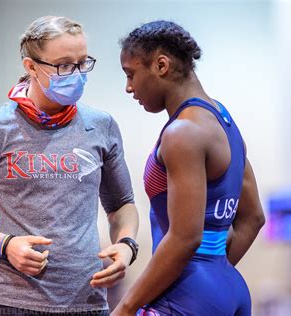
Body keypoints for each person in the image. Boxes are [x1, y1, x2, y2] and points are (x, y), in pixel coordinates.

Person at [0, 16, 139, 316]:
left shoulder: (101, 126)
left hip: (87, 299)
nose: (77, 74)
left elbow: (122, 204)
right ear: (31, 67)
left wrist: (126, 245)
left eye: (83, 63)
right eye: (64, 65)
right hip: (9, 301)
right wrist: (6, 245)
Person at [113, 21, 266, 316]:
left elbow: (185, 237)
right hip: (227, 287)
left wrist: (125, 307)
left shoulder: (183, 132)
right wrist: (213, 280)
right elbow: (254, 217)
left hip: (187, 294)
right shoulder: (222, 119)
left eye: (131, 74)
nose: (129, 87)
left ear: (161, 65)